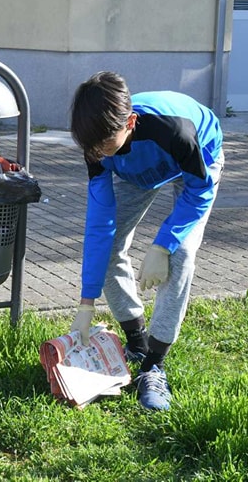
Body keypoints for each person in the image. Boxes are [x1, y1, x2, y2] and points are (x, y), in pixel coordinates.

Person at [68, 71, 223, 411]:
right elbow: (99, 225)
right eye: (90, 149)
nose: (96, 154)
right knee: (109, 249)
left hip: (195, 162)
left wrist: (162, 244)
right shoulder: (97, 145)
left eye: (104, 146)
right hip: (136, 171)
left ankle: (154, 364)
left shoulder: (175, 131)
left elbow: (199, 192)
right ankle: (137, 343)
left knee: (180, 254)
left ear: (131, 122)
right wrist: (86, 302)